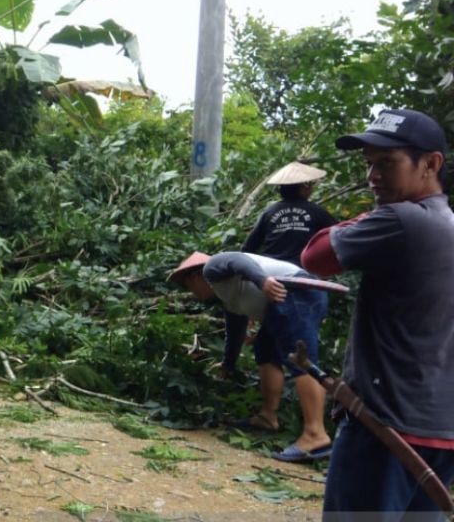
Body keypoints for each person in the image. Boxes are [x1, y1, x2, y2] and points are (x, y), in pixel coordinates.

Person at [300, 108, 454, 518]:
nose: (373, 177)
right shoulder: (448, 225)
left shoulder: (401, 220)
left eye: (387, 164)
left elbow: (315, 256)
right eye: (370, 164)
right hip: (441, 432)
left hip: (385, 425)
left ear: (430, 164)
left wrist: (370, 216)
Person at [169, 250, 334, 462]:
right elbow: (235, 332)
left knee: (300, 360)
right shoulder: (228, 295)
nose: (189, 291)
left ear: (194, 276)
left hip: (295, 292)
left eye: (187, 285)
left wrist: (263, 281)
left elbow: (237, 259)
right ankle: (267, 417)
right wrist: (228, 364)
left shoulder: (212, 267)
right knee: (264, 349)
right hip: (282, 302)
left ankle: (315, 434)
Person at [242, 161, 337, 267]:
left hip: (271, 270)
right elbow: (339, 236)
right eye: (310, 184)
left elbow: (248, 248)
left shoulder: (269, 212)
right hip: (303, 270)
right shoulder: (316, 211)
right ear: (304, 187)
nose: (311, 188)